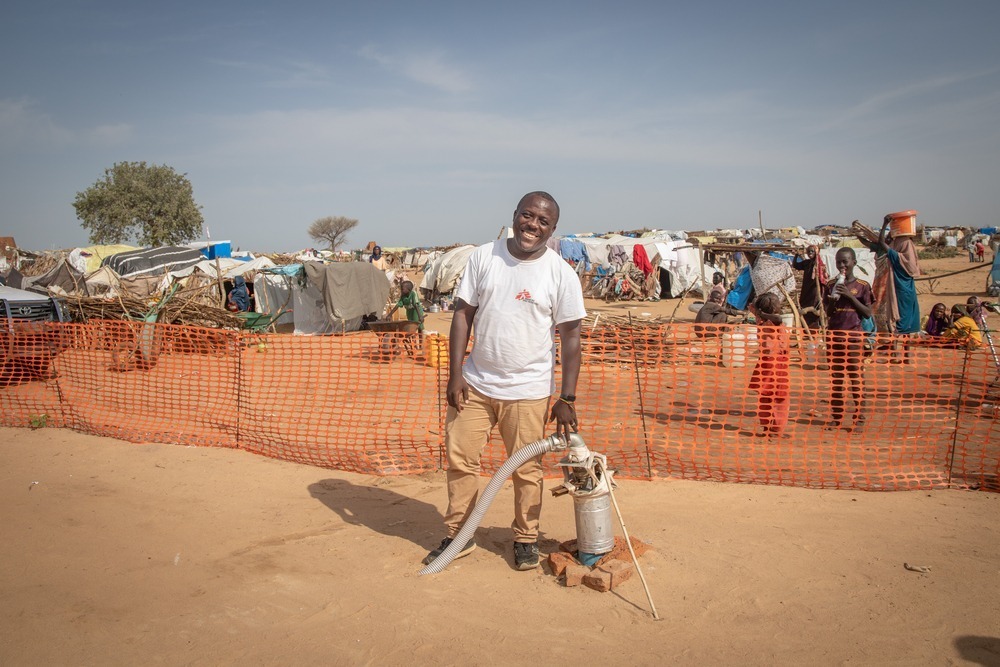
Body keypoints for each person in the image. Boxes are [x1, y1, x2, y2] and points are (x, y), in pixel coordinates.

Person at [422, 191, 586, 571]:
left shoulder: (560, 272)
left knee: (526, 468)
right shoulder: (484, 256)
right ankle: (458, 536)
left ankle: (525, 538)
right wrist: (456, 373)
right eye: (527, 216)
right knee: (460, 461)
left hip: (528, 391)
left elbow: (572, 336)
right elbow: (463, 315)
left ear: (553, 228)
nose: (533, 225)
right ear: (515, 215)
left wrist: (568, 397)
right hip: (476, 384)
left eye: (543, 221)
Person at [824, 247, 874, 431]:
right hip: (834, 337)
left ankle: (859, 419)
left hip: (854, 338)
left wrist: (850, 296)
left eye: (845, 261)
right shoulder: (830, 285)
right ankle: (836, 419)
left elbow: (868, 313)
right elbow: (828, 313)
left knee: (856, 379)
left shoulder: (862, 285)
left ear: (854, 262)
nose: (842, 265)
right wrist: (832, 301)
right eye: (838, 262)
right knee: (837, 379)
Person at [748, 293, 790, 438]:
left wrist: (760, 309)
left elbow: (752, 305)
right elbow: (779, 318)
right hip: (777, 362)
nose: (780, 304)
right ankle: (776, 428)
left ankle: (767, 426)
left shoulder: (760, 320)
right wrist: (763, 310)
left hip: (766, 362)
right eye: (777, 302)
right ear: (773, 308)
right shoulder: (773, 321)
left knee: (765, 395)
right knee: (780, 397)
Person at [792, 245, 828, 328]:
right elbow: (796, 265)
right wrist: (796, 255)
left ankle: (815, 326)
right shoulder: (807, 263)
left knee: (814, 306)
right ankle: (806, 327)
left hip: (815, 289)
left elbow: (823, 278)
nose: (810, 253)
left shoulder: (819, 264)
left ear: (816, 252)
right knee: (804, 304)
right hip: (806, 288)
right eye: (808, 251)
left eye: (812, 251)